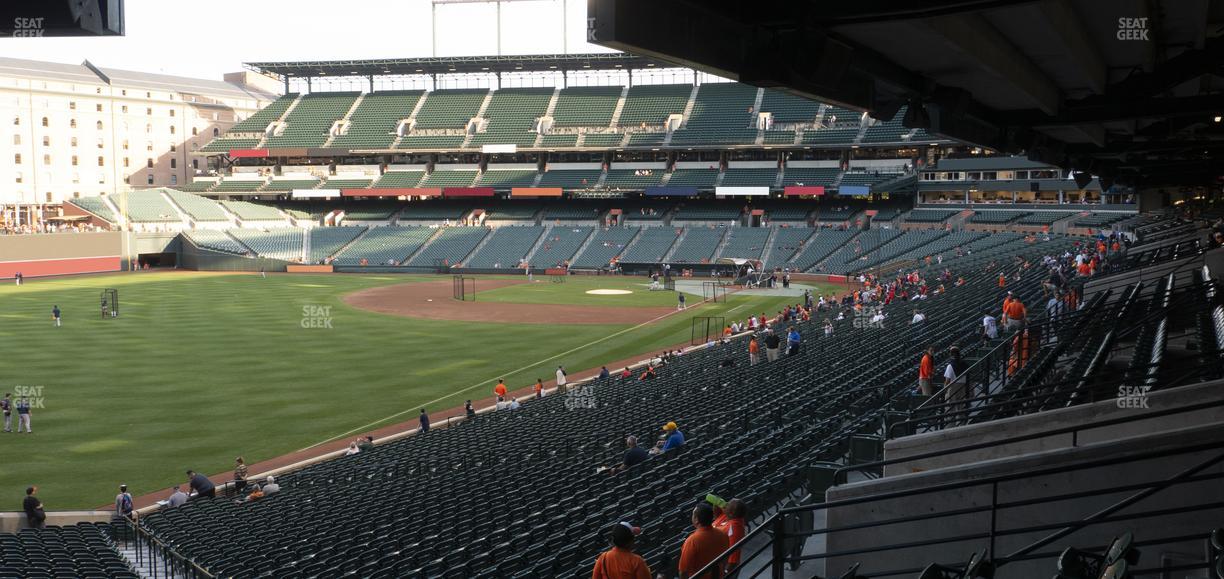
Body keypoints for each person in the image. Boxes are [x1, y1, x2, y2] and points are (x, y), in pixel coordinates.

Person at [678, 503, 730, 579]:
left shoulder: (692, 541)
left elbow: (683, 572)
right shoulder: (723, 534)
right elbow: (725, 559)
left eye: (693, 515)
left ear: (696, 520)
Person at [712, 498, 748, 578]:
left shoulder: (735, 528)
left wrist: (725, 573)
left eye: (728, 505)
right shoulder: (727, 515)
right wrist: (716, 507)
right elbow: (716, 517)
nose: (725, 504)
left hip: (721, 568)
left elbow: (733, 558)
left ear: (731, 513)